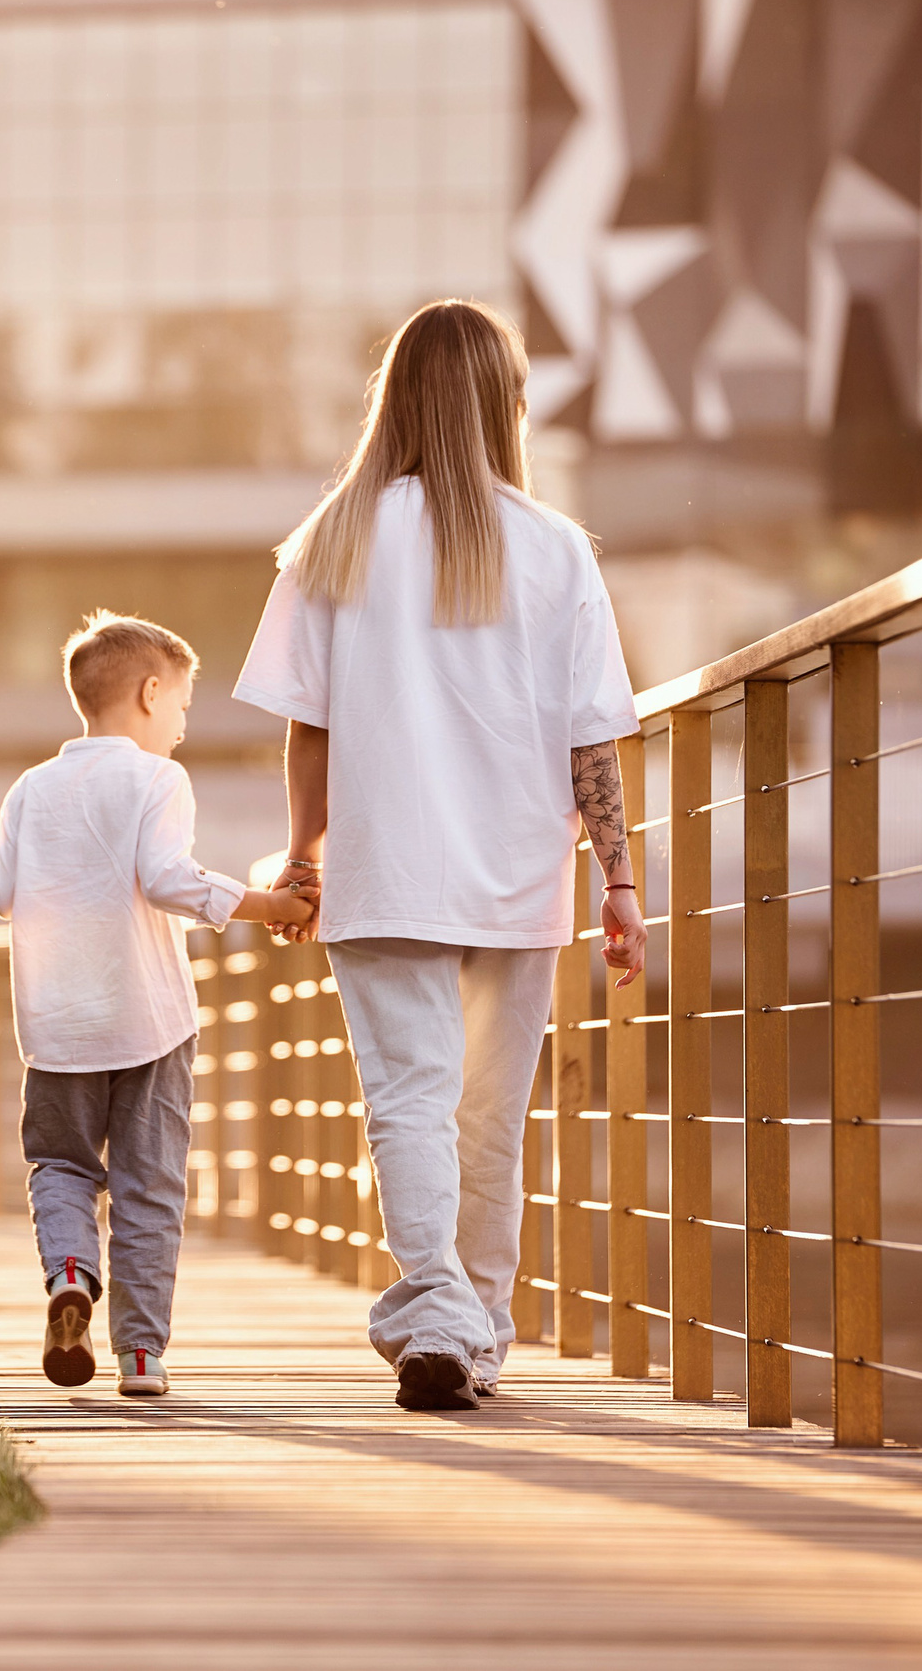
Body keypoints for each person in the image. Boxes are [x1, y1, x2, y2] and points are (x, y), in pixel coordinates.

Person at [232, 300, 646, 1412]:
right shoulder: (556, 549)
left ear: (396, 400)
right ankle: (473, 1327)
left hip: (384, 866)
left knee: (406, 1102)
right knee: (488, 1114)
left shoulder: (336, 537)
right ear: (503, 405)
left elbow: (305, 727)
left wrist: (304, 859)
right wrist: (617, 878)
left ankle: (438, 1312)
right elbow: (589, 736)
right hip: (517, 871)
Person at [0, 611, 320, 1398]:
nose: (183, 727)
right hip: (150, 1024)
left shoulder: (30, 789)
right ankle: (140, 1356)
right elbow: (168, 878)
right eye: (182, 708)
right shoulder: (158, 779)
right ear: (149, 691)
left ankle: (69, 1277)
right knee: (149, 1183)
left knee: (60, 1165)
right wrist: (268, 907)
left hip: (58, 1028)